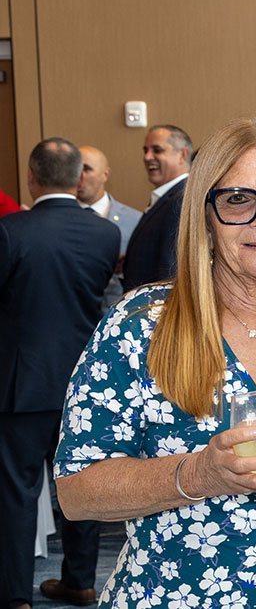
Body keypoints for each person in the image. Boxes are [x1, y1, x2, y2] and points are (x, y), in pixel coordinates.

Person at [54, 118, 256, 608]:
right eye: (238, 200)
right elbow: (76, 491)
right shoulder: (142, 326)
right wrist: (198, 475)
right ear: (205, 217)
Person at [0, 138, 120, 609]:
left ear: (32, 176)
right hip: (83, 381)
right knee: (80, 483)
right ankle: (81, 580)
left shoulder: (12, 230)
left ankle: (14, 596)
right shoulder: (106, 234)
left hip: (21, 382)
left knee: (16, 492)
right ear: (80, 179)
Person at [122, 124, 192, 292]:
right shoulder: (169, 197)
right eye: (145, 150)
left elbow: (171, 271)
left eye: (157, 150)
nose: (147, 157)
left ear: (182, 155)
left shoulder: (181, 200)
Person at [76, 145, 143, 309]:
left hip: (118, 316)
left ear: (105, 175)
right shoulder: (57, 222)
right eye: (76, 169)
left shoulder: (135, 220)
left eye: (87, 169)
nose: (80, 176)